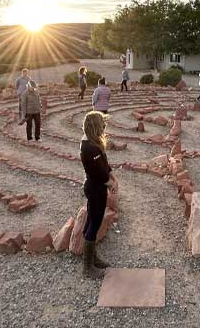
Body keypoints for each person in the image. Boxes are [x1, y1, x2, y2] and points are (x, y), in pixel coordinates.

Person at [80, 111, 118, 278]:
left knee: (92, 222)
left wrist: (113, 176)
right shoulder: (90, 148)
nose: (105, 127)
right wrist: (111, 184)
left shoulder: (91, 143)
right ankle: (87, 268)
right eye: (102, 124)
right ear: (96, 126)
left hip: (95, 188)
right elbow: (99, 174)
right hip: (95, 189)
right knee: (94, 225)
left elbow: (104, 165)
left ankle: (92, 258)